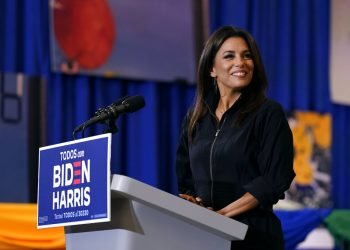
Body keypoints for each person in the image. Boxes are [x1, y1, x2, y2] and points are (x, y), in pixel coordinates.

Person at [175, 26, 295, 250]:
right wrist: (195, 205)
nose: (241, 62)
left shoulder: (268, 113)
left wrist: (222, 215)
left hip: (254, 237)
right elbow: (186, 180)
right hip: (204, 236)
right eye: (229, 56)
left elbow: (275, 179)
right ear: (211, 68)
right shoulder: (194, 119)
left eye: (247, 55)